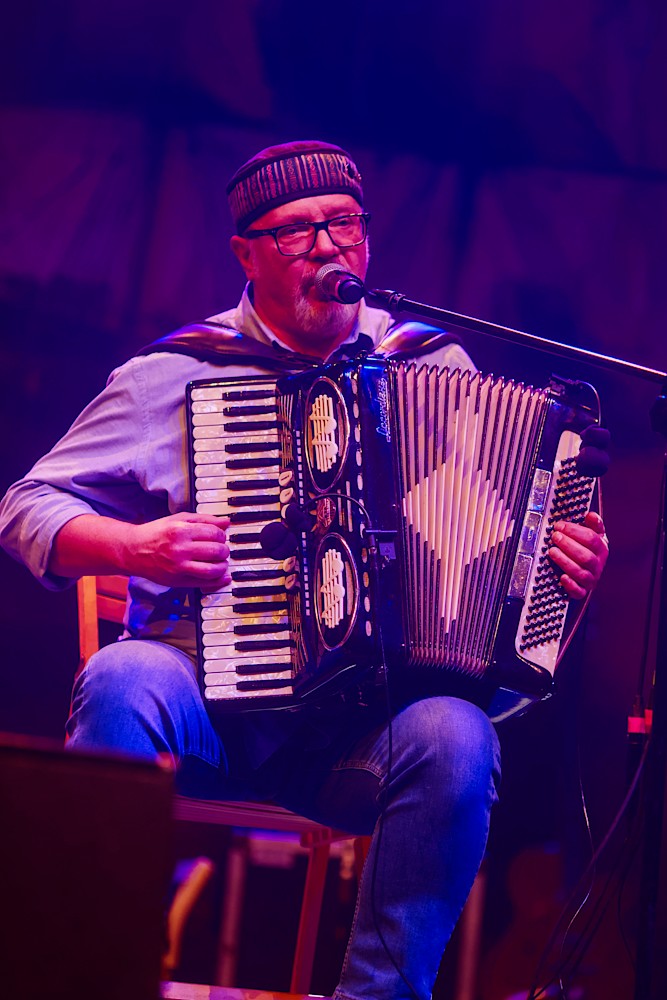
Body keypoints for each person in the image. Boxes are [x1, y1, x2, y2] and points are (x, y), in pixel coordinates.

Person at [0, 140, 609, 999]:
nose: (327, 247)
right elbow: (25, 506)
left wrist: (559, 567)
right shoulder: (175, 373)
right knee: (122, 676)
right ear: (245, 254)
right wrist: (135, 547)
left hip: (360, 742)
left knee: (458, 736)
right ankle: (84, 975)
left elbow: (501, 556)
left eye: (344, 225)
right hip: (205, 711)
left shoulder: (429, 365)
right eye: (296, 231)